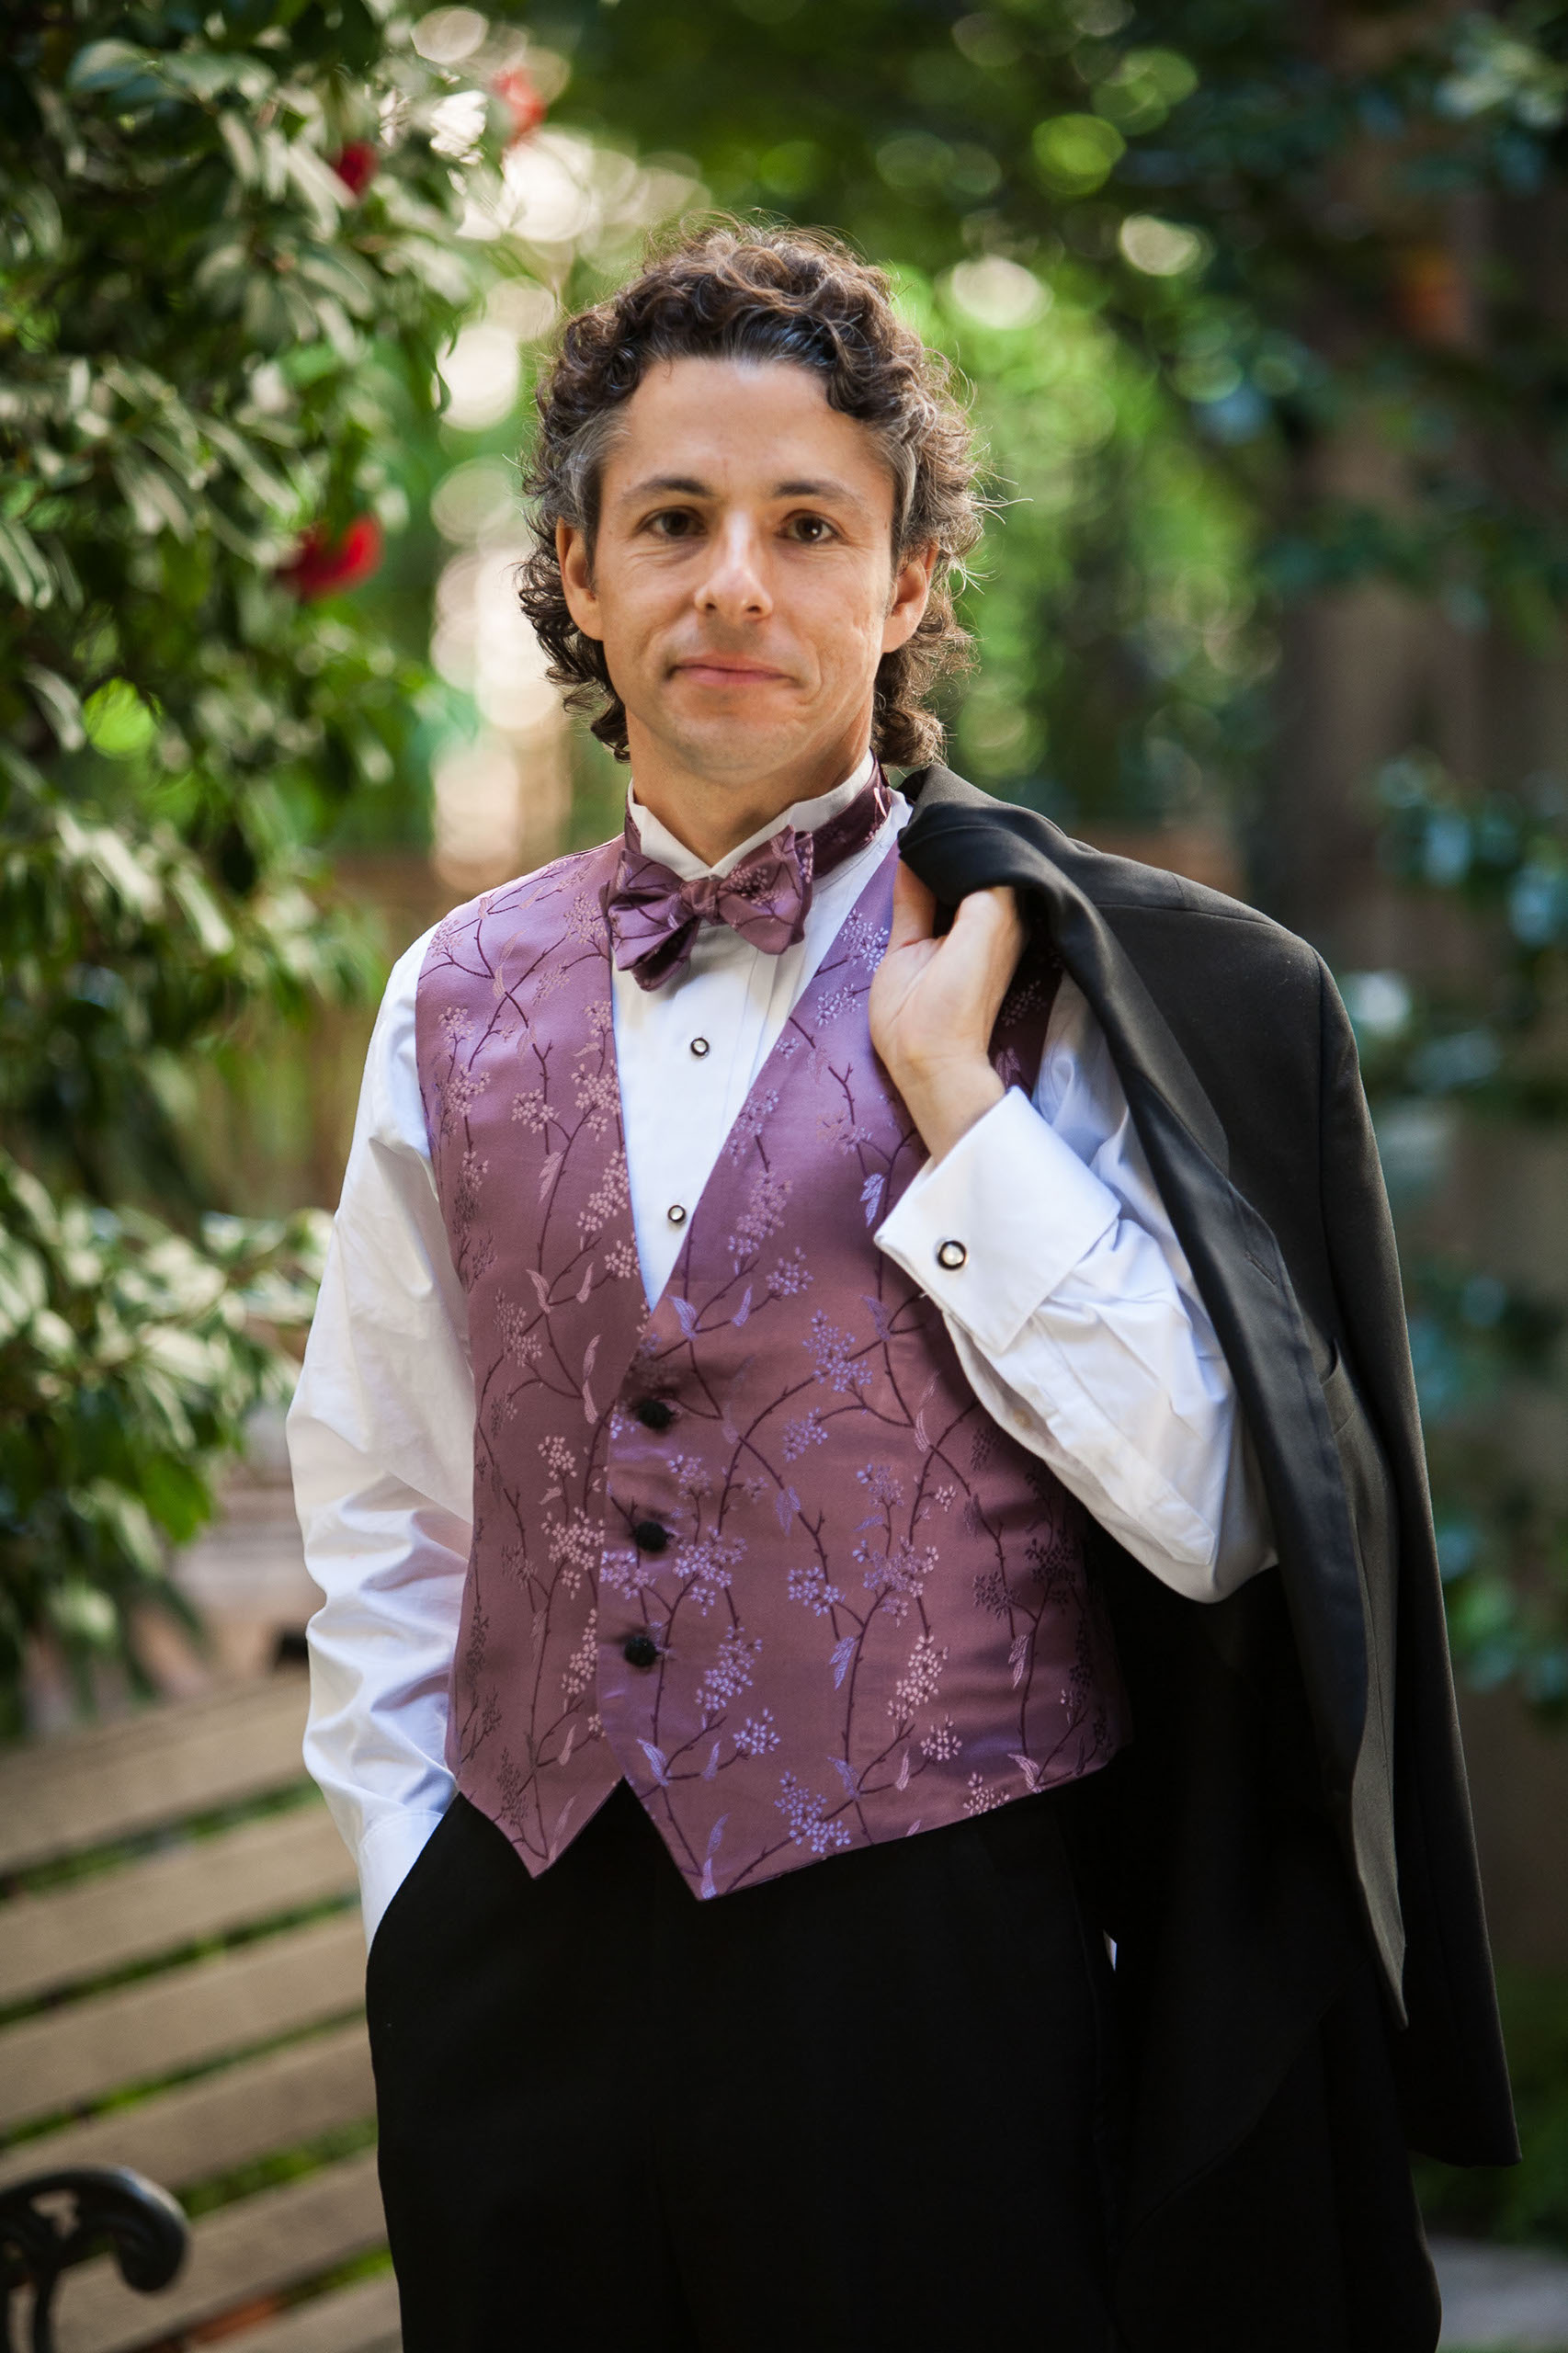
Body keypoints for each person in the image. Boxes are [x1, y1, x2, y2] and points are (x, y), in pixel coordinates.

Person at [288, 224, 1516, 2353]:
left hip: (931, 1985)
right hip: (521, 1981)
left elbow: (1229, 1511)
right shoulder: (447, 990)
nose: (732, 585)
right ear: (577, 569)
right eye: (668, 520)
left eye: (805, 525)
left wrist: (963, 1113)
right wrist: (416, 1891)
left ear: (908, 579)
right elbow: (390, 1496)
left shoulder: (1068, 994)